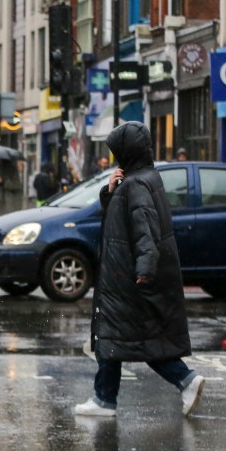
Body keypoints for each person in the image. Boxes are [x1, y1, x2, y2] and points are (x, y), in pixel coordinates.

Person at [74, 121, 205, 417]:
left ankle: (181, 380)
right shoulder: (142, 179)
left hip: (126, 279)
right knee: (120, 338)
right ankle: (105, 396)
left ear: (126, 151)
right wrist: (109, 194)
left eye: (116, 150)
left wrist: (145, 269)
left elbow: (146, 228)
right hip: (124, 275)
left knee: (127, 339)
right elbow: (122, 221)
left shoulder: (137, 185)